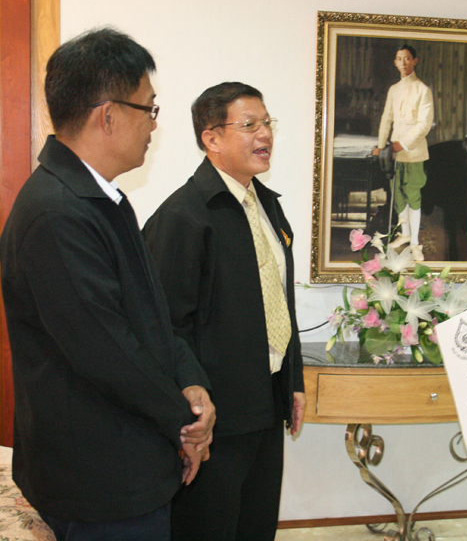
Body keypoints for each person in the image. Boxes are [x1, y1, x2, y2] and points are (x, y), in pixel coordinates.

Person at [0, 28, 215, 541]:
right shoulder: (56, 214)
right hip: (96, 479)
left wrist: (192, 381)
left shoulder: (102, 199)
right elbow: (107, 353)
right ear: (109, 115)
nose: (154, 124)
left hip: (125, 461)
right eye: (149, 108)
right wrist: (185, 422)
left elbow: (152, 315)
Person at [142, 82, 306, 541]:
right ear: (211, 138)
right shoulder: (184, 217)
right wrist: (192, 415)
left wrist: (293, 381)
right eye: (249, 125)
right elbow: (165, 329)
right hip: (216, 420)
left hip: (266, 405)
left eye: (267, 123)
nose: (264, 134)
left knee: (256, 529)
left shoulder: (267, 206)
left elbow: (280, 301)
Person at [373, 44, 434, 262]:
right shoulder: (394, 89)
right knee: (398, 195)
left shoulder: (423, 90)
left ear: (414, 61)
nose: (403, 63)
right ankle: (405, 234)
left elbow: (424, 124)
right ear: (395, 63)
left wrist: (404, 144)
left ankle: (415, 243)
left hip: (414, 152)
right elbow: (387, 118)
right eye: (399, 59)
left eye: (407, 58)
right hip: (395, 153)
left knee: (413, 196)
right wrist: (381, 145)